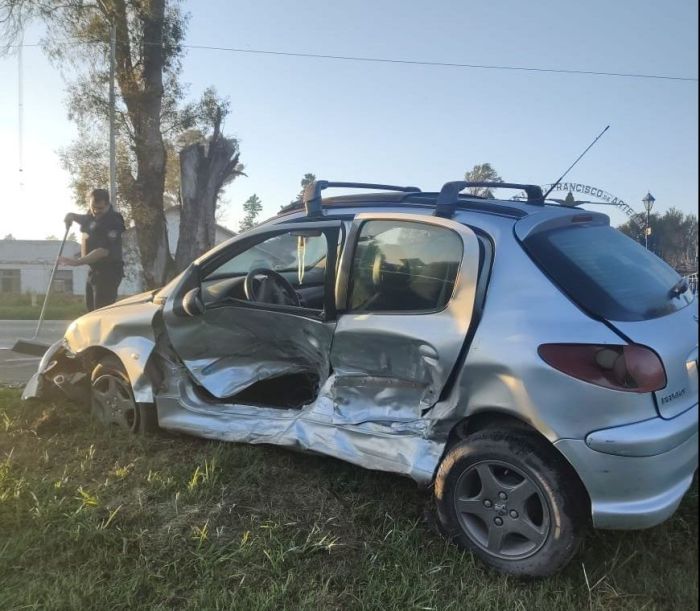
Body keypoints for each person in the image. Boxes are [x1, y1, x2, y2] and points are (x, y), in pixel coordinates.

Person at [59, 188, 126, 311]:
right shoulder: (92, 216)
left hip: (108, 272)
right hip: (94, 271)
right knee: (91, 312)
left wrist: (78, 262)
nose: (95, 212)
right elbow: (84, 219)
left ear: (107, 205)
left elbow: (103, 251)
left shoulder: (114, 221)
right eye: (93, 207)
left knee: (101, 313)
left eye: (100, 209)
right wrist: (71, 216)